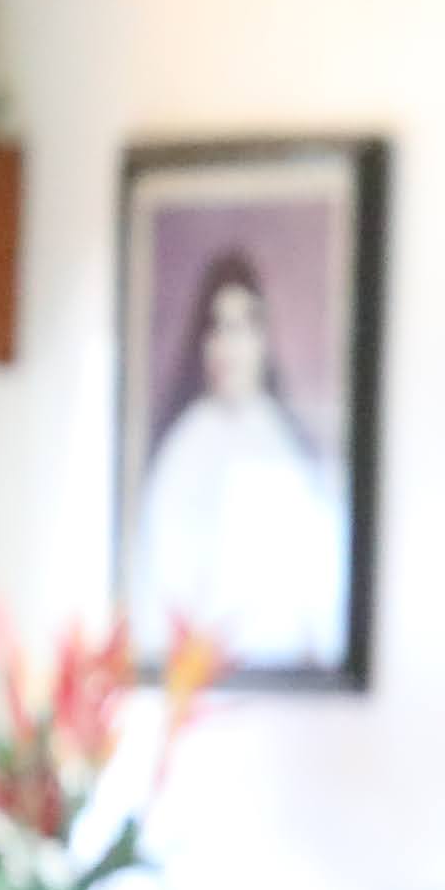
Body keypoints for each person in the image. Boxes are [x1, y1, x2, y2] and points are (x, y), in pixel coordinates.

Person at [127, 252, 344, 671]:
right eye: (220, 329)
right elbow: (166, 585)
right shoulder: (185, 447)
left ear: (263, 338)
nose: (231, 345)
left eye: (243, 328)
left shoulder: (284, 439)